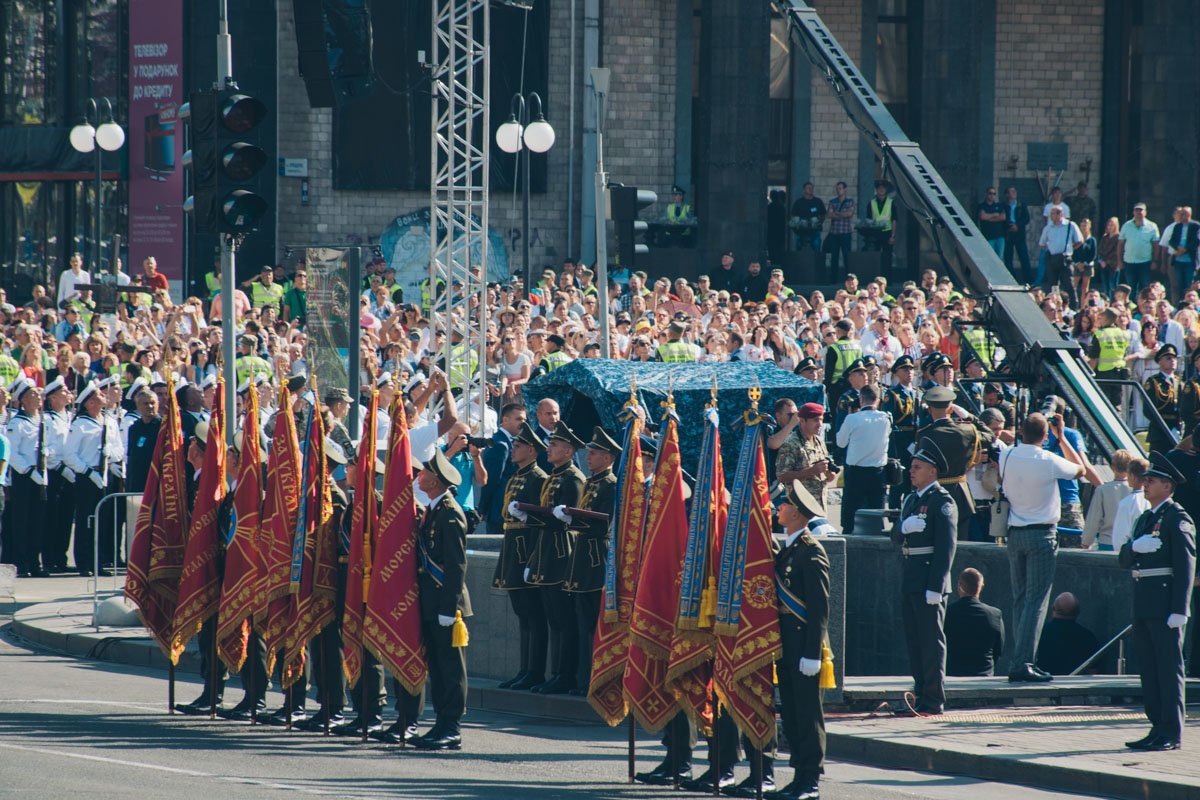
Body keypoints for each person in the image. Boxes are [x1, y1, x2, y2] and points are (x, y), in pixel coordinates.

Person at [999, 412, 1099, 683]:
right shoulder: (1048, 459)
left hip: (1014, 533)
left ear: (1021, 432)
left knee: (1020, 600)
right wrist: (1062, 437)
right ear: (1045, 436)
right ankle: (1024, 663)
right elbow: (1080, 469)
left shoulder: (1006, 455)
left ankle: (1017, 660)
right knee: (1037, 601)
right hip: (1041, 535)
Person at [1119, 452, 1196, 752]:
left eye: (1151, 480)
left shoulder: (1177, 518)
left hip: (1165, 605)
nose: (1146, 484)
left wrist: (1180, 608)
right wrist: (1135, 547)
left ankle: (1172, 731)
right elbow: (1124, 559)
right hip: (1143, 602)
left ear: (1167, 485)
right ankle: (1156, 726)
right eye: (1147, 479)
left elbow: (1186, 566)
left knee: (1168, 670)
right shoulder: (1145, 519)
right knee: (1149, 671)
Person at [773, 479, 831, 800]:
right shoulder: (789, 548)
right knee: (792, 714)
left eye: (784, 504)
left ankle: (810, 780)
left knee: (808, 714)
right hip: (786, 646)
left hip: (803, 649)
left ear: (796, 513)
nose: (779, 508)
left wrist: (813, 653)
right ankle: (798, 776)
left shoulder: (811, 552)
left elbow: (820, 608)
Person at [411, 449, 472, 751]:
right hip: (431, 602)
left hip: (447, 606)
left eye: (424, 473)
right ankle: (439, 724)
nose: (419, 476)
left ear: (435, 480)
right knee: (436, 665)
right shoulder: (432, 509)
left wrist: (449, 608)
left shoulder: (449, 513)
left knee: (450, 668)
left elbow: (456, 565)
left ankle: (452, 727)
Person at [891, 442, 956, 714]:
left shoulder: (942, 501)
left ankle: (934, 698)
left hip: (929, 580)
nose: (911, 472)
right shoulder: (911, 499)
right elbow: (895, 537)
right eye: (912, 467)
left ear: (932, 471)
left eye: (917, 467)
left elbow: (946, 547)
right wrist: (903, 526)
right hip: (911, 577)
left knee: (931, 643)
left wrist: (936, 586)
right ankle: (919, 695)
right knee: (915, 641)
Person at [522, 422, 585, 694]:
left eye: (555, 445)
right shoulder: (555, 476)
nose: (549, 448)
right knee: (552, 618)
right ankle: (553, 673)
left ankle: (565, 674)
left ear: (569, 451)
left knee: (563, 618)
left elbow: (569, 520)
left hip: (561, 553)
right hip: (547, 551)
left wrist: (540, 515)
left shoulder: (573, 478)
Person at [560, 426, 619, 695]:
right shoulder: (592, 482)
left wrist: (574, 518)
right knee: (582, 624)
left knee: (595, 624)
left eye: (594, 453)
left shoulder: (610, 485)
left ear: (608, 458)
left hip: (596, 558)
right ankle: (582, 678)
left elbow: (604, 523)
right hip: (581, 557)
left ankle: (595, 679)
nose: (588, 457)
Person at [494, 422, 549, 691]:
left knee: (532, 613)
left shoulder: (538, 478)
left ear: (531, 450)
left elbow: (543, 520)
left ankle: (534, 670)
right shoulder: (517, 476)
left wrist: (534, 559)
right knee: (522, 614)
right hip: (512, 545)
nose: (513, 450)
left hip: (526, 547)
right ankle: (524, 669)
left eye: (517, 446)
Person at [916, 386, 994, 542]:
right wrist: (970, 416)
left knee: (935, 538)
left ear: (930, 409)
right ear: (951, 408)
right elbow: (990, 435)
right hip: (960, 492)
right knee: (960, 540)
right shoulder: (967, 430)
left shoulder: (924, 433)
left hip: (933, 491)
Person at [5, 377, 47, 577]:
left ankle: (34, 561)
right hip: (24, 478)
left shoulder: (42, 420)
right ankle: (21, 562)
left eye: (38, 394)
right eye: (33, 394)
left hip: (41, 475)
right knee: (22, 521)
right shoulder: (18, 423)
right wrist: (29, 471)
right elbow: (12, 453)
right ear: (22, 400)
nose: (38, 397)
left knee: (38, 521)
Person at [835, 384, 890, 534]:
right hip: (878, 473)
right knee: (876, 516)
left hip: (856, 473)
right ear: (878, 400)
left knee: (850, 516)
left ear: (860, 399)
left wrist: (851, 414)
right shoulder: (886, 418)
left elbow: (840, 442)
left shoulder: (852, 418)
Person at [945, 567, 1005, 677]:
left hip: (953, 674)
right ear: (981, 587)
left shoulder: (947, 613)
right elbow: (998, 650)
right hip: (984, 675)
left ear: (959, 585)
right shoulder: (995, 614)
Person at [1035, 592, 1102, 676]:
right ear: (1077, 612)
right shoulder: (1087, 636)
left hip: (1044, 682)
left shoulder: (1038, 634)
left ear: (1053, 608)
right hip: (1075, 685)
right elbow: (1094, 668)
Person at [1145, 344, 1182, 454]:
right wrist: (1163, 427)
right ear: (1160, 361)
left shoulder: (1179, 383)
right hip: (1159, 432)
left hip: (1176, 429)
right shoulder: (1153, 382)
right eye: (1168, 358)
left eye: (1174, 358)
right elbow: (1148, 410)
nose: (1172, 361)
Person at [1118, 203, 1160, 296]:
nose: (1138, 212)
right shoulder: (1126, 225)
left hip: (1145, 262)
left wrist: (1154, 261)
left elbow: (1156, 246)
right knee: (1129, 288)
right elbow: (1120, 244)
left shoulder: (1152, 226)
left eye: (1141, 210)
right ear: (1133, 212)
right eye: (1136, 210)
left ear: (1145, 212)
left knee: (1145, 288)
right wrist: (1120, 261)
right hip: (1129, 262)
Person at [1112, 457, 1151, 552]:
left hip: (1132, 552)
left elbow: (1120, 536)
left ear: (1132, 476)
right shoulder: (1153, 499)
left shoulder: (1127, 502)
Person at [824, 182, 855, 279]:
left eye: (840, 188)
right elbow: (829, 215)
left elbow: (849, 214)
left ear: (845, 189)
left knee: (846, 256)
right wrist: (842, 214)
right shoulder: (832, 201)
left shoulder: (850, 201)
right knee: (834, 257)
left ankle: (849, 278)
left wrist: (836, 213)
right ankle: (833, 278)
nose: (838, 190)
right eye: (837, 188)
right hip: (834, 233)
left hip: (846, 233)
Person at [1002, 187, 1033, 284]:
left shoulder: (1021, 205)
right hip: (1008, 233)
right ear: (1007, 194)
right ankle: (1012, 279)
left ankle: (1028, 280)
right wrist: (1008, 226)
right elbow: (1002, 218)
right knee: (1008, 257)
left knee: (1024, 257)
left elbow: (1026, 218)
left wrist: (1017, 225)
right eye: (1011, 191)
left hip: (1019, 233)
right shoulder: (1003, 206)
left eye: (1014, 191)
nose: (1014, 193)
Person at [790, 182, 826, 252]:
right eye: (808, 188)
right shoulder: (798, 202)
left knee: (816, 248)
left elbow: (823, 214)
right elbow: (793, 215)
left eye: (812, 188)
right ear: (804, 190)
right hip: (801, 231)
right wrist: (797, 224)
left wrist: (819, 223)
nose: (810, 189)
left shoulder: (818, 201)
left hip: (815, 231)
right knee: (799, 250)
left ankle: (816, 262)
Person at [976, 187, 1007, 258]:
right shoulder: (981, 206)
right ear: (986, 194)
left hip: (1000, 237)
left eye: (994, 194)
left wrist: (989, 218)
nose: (992, 195)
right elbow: (982, 217)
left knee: (1000, 258)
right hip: (988, 237)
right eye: (990, 193)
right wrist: (995, 214)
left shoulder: (999, 206)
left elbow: (1003, 217)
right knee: (990, 258)